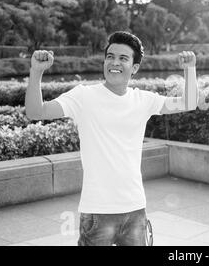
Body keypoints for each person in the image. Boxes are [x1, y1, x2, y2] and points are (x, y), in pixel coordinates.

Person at [25, 31, 198, 246]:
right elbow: (36, 112)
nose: (114, 62)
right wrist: (36, 72)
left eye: (123, 58)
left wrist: (190, 69)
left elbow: (188, 103)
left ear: (134, 68)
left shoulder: (143, 100)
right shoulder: (84, 96)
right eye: (110, 56)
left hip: (135, 208)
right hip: (97, 211)